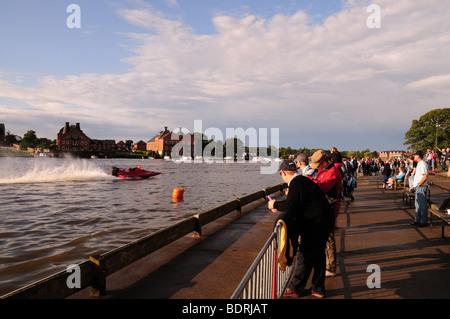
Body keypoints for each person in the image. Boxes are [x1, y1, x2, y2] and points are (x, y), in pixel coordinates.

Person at [268, 160, 334, 298]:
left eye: (281, 174)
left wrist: (274, 203)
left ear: (283, 173)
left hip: (316, 224)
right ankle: (318, 288)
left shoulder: (296, 183)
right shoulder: (302, 181)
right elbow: (296, 204)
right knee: (318, 256)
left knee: (304, 255)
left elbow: (291, 206)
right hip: (324, 221)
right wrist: (280, 205)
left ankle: (295, 288)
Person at [307, 150, 342, 277]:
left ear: (324, 163)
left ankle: (331, 267)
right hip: (324, 207)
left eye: (317, 165)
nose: (316, 168)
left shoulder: (332, 172)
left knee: (328, 238)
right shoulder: (325, 170)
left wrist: (310, 180)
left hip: (330, 207)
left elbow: (323, 187)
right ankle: (325, 263)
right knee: (324, 237)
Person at [410, 151, 428, 227]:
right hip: (418, 186)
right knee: (417, 204)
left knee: (422, 205)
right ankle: (417, 220)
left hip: (421, 186)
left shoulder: (423, 164)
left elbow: (425, 176)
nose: (414, 156)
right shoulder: (419, 164)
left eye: (415, 155)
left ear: (418, 156)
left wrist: (419, 184)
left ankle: (423, 221)